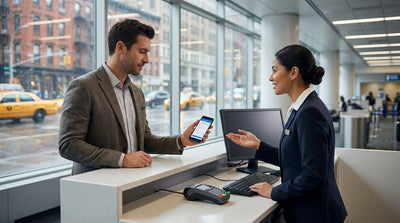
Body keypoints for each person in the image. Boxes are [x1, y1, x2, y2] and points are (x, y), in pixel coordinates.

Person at [58, 19, 212, 175]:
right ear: (121, 48)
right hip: (96, 187)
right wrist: (122, 159)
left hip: (130, 183)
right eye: (142, 52)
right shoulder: (84, 86)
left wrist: (181, 140)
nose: (147, 60)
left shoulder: (137, 93)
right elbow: (69, 144)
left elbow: (144, 140)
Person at [226, 45, 347, 223]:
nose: (270, 78)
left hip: (315, 215)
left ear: (293, 72)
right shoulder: (304, 107)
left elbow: (313, 175)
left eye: (275, 70)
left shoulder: (309, 112)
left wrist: (273, 191)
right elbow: (294, 158)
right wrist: (258, 146)